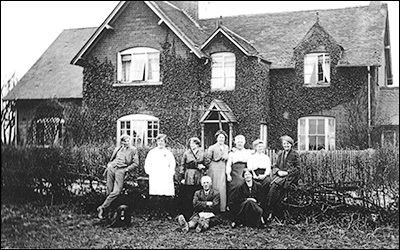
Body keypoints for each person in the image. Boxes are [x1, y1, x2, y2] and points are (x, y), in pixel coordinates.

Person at [97, 134, 139, 219]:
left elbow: (136, 163)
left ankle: (102, 207)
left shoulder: (133, 150)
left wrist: (127, 169)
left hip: (121, 170)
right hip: (111, 168)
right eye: (124, 141)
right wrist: (109, 164)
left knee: (116, 191)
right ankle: (107, 214)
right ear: (122, 142)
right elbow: (112, 159)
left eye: (128, 141)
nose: (126, 142)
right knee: (109, 190)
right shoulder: (118, 148)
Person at [265, 135, 300, 221]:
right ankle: (268, 211)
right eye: (284, 144)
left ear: (291, 144)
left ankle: (270, 211)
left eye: (288, 144)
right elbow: (275, 166)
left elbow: (298, 169)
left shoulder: (295, 154)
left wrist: (287, 172)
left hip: (289, 178)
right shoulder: (281, 154)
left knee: (275, 186)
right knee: (268, 184)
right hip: (279, 176)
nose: (286, 145)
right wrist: (278, 171)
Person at [144, 133, 177, 218]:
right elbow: (147, 165)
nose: (160, 142)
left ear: (165, 142)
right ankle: (153, 213)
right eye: (159, 140)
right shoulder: (152, 152)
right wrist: (151, 173)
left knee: (166, 195)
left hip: (166, 177)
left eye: (162, 141)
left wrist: (170, 174)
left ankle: (166, 213)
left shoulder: (169, 153)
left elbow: (172, 165)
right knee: (154, 195)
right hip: (155, 176)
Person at [178, 137, 206, 220]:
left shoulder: (202, 152)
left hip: (198, 174)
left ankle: (197, 213)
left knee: (198, 192)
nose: (192, 145)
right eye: (190, 143)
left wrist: (203, 167)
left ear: (197, 144)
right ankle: (188, 214)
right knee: (189, 194)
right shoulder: (186, 153)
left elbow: (206, 163)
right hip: (189, 174)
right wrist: (182, 177)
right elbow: (182, 165)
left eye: (193, 143)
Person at [204, 130, 229, 213]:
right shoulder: (212, 147)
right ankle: (213, 208)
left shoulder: (226, 147)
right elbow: (207, 159)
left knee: (222, 188)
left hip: (223, 168)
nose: (221, 139)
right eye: (220, 137)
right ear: (217, 138)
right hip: (214, 168)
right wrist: (211, 166)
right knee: (214, 187)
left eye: (223, 137)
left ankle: (222, 208)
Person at [226, 135, 252, 210]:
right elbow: (228, 165)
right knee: (234, 185)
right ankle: (231, 205)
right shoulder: (232, 153)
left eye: (241, 142)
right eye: (238, 142)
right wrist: (228, 174)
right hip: (234, 172)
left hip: (244, 171)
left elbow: (249, 164)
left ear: (244, 143)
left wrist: (248, 172)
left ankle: (243, 205)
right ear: (235, 143)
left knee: (242, 184)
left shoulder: (248, 152)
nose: (240, 144)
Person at [247, 139, 272, 213]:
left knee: (267, 182)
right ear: (255, 147)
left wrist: (264, 175)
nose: (260, 148)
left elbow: (268, 168)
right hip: (255, 174)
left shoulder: (266, 157)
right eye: (259, 147)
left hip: (264, 174)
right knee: (255, 184)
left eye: (262, 146)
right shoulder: (252, 157)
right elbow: (250, 168)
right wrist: (254, 175)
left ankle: (263, 202)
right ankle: (255, 203)